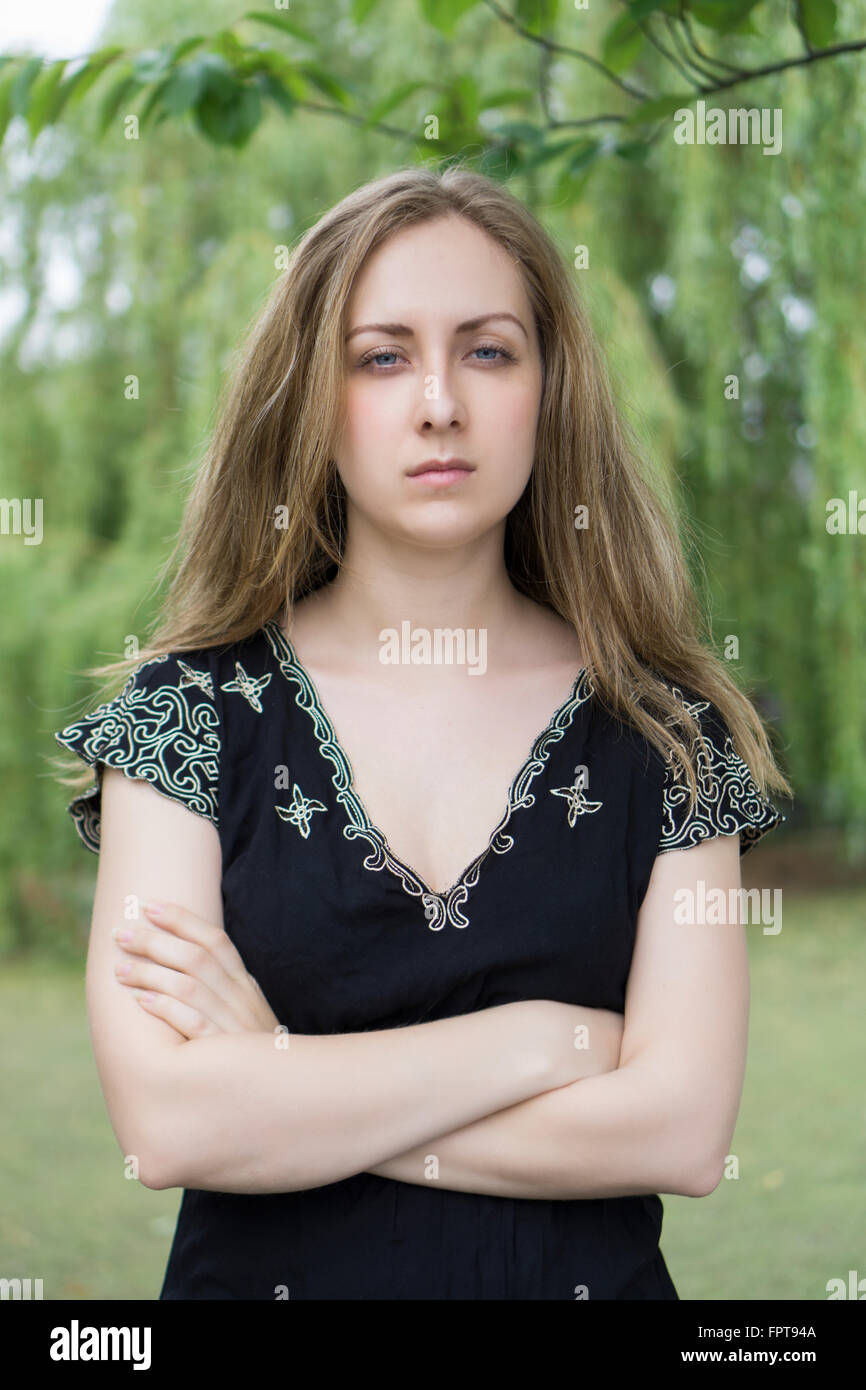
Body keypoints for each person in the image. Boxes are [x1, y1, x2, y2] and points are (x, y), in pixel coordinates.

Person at [53, 164, 790, 1300]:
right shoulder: (184, 717)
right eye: (381, 354)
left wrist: (278, 1079)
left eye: (487, 349)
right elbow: (171, 1127)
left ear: (547, 386)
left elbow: (680, 1133)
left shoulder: (667, 739)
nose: (437, 400)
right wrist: (548, 1041)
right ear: (311, 391)